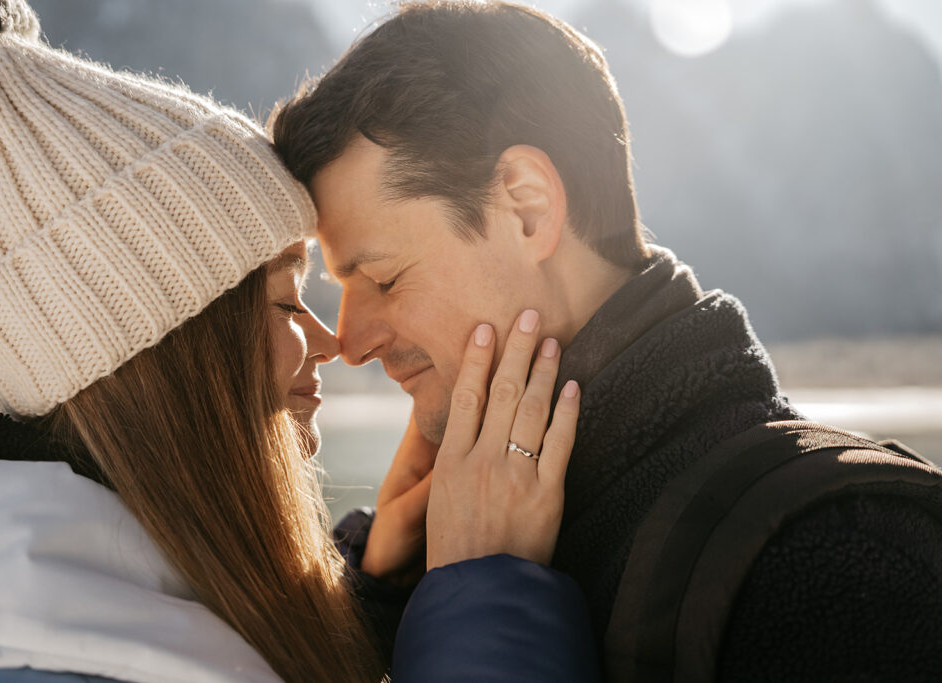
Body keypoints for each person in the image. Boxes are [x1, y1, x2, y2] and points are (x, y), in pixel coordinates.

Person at [0, 1, 598, 681]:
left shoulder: (43, 618)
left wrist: (370, 593)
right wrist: (484, 598)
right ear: (175, 354)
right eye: (283, 301)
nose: (335, 341)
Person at [271, 1, 942, 679]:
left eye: (383, 278)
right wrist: (378, 597)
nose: (349, 342)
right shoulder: (428, 555)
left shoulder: (847, 562)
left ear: (526, 206)